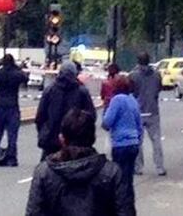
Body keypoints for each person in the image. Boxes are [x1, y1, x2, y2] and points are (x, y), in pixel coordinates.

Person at [26, 109, 133, 216]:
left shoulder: (44, 173)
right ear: (94, 138)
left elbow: (34, 212)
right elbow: (125, 211)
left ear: (62, 139)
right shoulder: (112, 172)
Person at [35, 61, 96, 160]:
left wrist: (44, 132)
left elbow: (40, 116)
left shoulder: (50, 90)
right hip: (75, 141)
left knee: (48, 169)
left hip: (51, 138)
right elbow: (91, 116)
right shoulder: (81, 91)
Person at [102, 75, 142, 206]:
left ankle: (120, 207)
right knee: (128, 178)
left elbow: (107, 122)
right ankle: (130, 206)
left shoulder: (117, 100)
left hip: (120, 143)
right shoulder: (133, 100)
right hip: (133, 143)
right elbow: (139, 125)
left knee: (119, 179)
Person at [0, 53, 27, 167]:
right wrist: (17, 66)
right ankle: (11, 158)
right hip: (12, 106)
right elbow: (25, 77)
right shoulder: (16, 75)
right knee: (12, 135)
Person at [129, 52, 166, 176]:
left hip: (138, 110)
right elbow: (159, 89)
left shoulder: (133, 75)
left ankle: (138, 167)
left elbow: (132, 91)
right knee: (156, 140)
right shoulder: (156, 75)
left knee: (138, 141)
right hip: (153, 110)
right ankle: (159, 167)